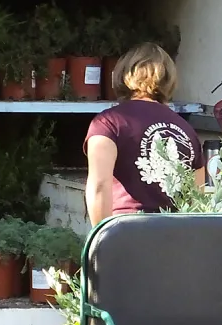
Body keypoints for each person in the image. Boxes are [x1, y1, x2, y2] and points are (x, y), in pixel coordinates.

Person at [84, 43, 205, 225]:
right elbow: (197, 199)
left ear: (123, 75)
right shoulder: (187, 131)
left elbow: (100, 187)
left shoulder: (108, 123)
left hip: (125, 232)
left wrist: (100, 241)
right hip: (174, 237)